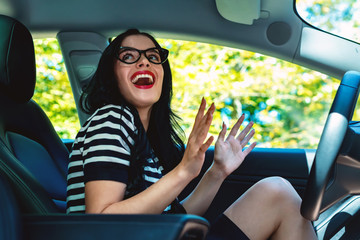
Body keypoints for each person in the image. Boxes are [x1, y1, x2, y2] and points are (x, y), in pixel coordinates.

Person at [66, 29, 317, 240]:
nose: (144, 62)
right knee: (277, 192)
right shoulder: (112, 118)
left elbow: (173, 218)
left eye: (153, 56)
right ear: (112, 76)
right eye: (128, 56)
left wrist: (217, 172)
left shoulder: (142, 141)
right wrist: (183, 171)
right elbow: (100, 224)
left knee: (277, 192)